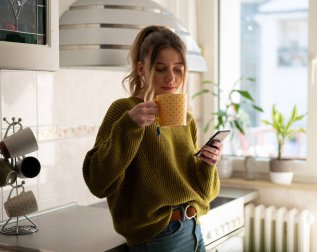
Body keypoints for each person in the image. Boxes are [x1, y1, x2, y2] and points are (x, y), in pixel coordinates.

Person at [82, 25, 223, 251]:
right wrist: (130, 125)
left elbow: (204, 193)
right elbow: (98, 183)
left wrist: (208, 164)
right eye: (160, 68)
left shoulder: (185, 118)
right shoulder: (124, 111)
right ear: (141, 69)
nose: (171, 78)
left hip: (194, 229)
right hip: (159, 238)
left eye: (178, 69)